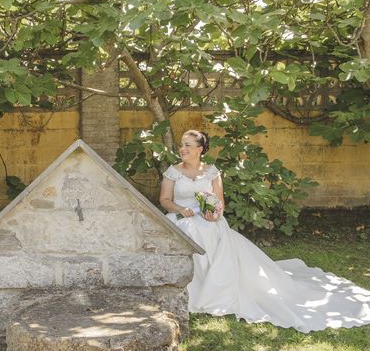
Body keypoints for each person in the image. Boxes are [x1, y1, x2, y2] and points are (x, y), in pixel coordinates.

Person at [159, 129, 370, 332]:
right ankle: (191, 289)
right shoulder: (173, 172)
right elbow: (165, 200)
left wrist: (214, 214)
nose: (182, 148)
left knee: (211, 230)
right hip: (181, 217)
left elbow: (219, 203)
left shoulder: (212, 172)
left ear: (200, 149)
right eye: (181, 145)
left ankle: (213, 288)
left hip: (208, 219)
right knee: (192, 232)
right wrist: (180, 209)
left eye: (187, 145)